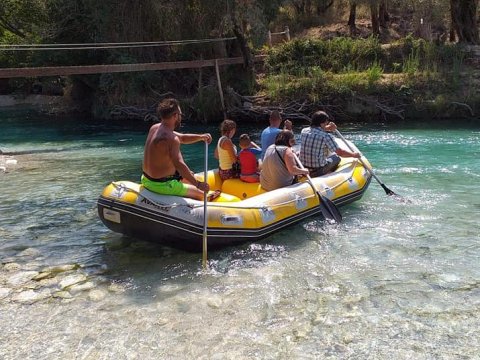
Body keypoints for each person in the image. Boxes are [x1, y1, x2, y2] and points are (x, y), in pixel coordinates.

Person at [141, 98, 220, 201]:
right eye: (180, 115)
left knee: (189, 176)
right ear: (175, 116)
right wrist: (198, 184)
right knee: (203, 194)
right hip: (162, 185)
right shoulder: (172, 139)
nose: (180, 118)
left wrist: (201, 137)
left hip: (146, 180)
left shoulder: (155, 128)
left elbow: (182, 138)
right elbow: (179, 164)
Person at [299, 110, 361, 177]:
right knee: (336, 158)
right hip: (318, 170)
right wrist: (354, 155)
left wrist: (328, 128)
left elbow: (316, 130)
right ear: (322, 123)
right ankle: (328, 173)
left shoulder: (304, 131)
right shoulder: (326, 136)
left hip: (303, 168)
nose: (326, 124)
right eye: (326, 123)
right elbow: (340, 152)